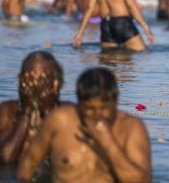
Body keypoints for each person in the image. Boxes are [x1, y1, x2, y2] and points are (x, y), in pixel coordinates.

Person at [17, 67, 151, 183]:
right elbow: (28, 164)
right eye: (89, 109)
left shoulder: (132, 128)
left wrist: (108, 142)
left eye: (104, 109)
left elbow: (143, 180)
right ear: (79, 104)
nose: (97, 116)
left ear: (115, 102)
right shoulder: (59, 120)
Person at [0, 51, 64, 165]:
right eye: (29, 78)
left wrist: (48, 111)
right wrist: (26, 112)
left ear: (55, 83)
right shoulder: (8, 110)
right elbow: (6, 158)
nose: (35, 85)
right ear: (19, 80)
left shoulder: (67, 111)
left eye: (42, 78)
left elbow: (66, 159)